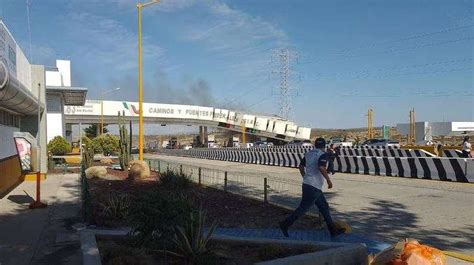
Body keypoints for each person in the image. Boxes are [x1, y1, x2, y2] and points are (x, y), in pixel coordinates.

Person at [279, 138, 345, 238]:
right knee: (303, 208)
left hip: (309, 184)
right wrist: (328, 180)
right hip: (313, 187)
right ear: (324, 146)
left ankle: (333, 230)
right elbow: (321, 167)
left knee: (324, 207)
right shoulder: (322, 154)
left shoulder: (308, 154)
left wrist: (305, 177)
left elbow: (301, 167)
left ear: (315, 145)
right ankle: (285, 224)